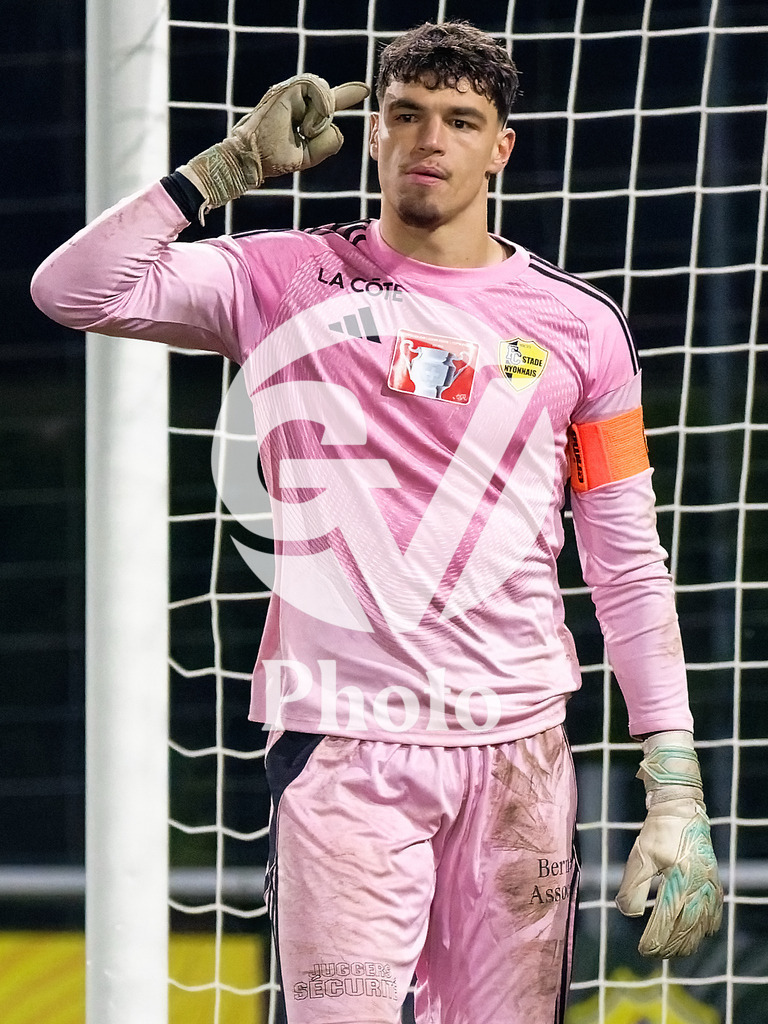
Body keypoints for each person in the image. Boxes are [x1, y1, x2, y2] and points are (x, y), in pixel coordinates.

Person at [32, 20, 722, 1024]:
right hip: (346, 747)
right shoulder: (277, 280)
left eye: (459, 120)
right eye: (404, 116)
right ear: (377, 136)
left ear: (502, 148)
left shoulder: (582, 329)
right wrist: (222, 169)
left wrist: (675, 784)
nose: (428, 139)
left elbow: (625, 561)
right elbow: (73, 287)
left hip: (519, 755)